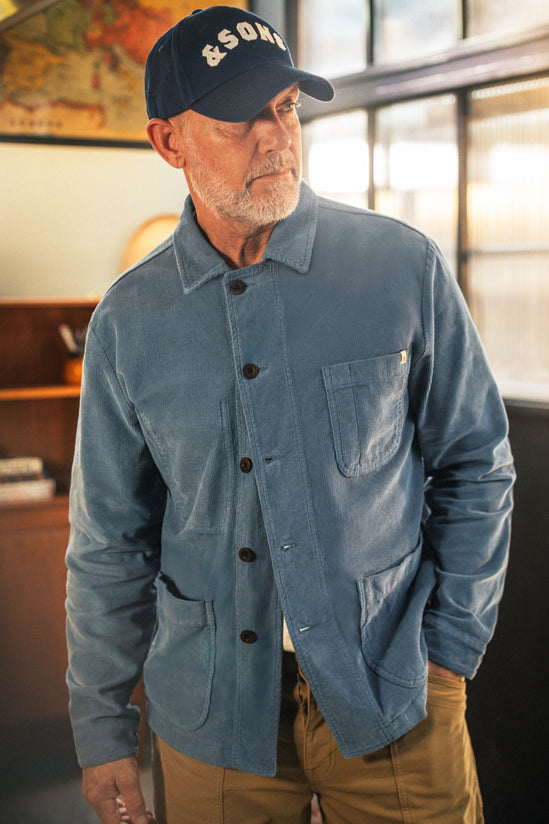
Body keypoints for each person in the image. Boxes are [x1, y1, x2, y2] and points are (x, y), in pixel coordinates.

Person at [65, 6, 515, 824]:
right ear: (168, 141)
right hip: (209, 710)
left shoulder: (399, 266)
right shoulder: (128, 321)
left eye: (285, 108)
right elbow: (108, 542)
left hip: (391, 690)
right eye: (238, 118)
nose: (274, 138)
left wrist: (449, 648)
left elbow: (474, 464)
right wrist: (101, 729)